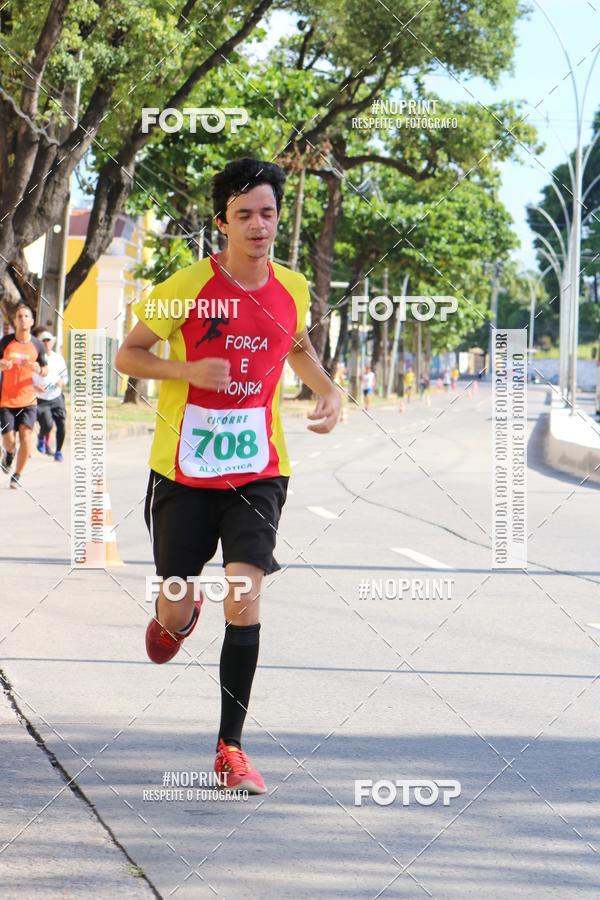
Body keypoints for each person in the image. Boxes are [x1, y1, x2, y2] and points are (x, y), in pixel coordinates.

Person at [115, 157, 341, 794]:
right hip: (184, 469)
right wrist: (185, 371)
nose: (258, 225)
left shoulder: (292, 287)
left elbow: (296, 346)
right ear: (222, 222)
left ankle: (230, 749)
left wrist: (328, 389)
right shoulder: (186, 286)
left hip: (258, 469)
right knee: (176, 599)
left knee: (243, 594)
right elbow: (128, 354)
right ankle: (175, 616)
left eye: (267, 213)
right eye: (244, 215)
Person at [0, 303, 48, 488]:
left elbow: (45, 369)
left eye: (26, 316)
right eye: (19, 316)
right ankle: (9, 454)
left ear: (32, 321)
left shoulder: (37, 345)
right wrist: (2, 364)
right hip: (6, 400)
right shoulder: (6, 341)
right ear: (14, 321)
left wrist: (39, 369)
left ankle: (17, 475)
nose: (22, 319)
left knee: (26, 438)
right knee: (9, 440)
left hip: (28, 400)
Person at [32, 331, 68, 461]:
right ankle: (41, 436)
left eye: (49, 340)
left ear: (52, 342)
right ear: (39, 343)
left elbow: (65, 376)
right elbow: (27, 378)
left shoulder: (58, 358)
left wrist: (62, 382)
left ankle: (58, 451)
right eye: (44, 340)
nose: (46, 343)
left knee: (62, 424)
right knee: (47, 425)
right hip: (42, 399)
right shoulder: (34, 358)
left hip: (57, 397)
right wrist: (35, 387)